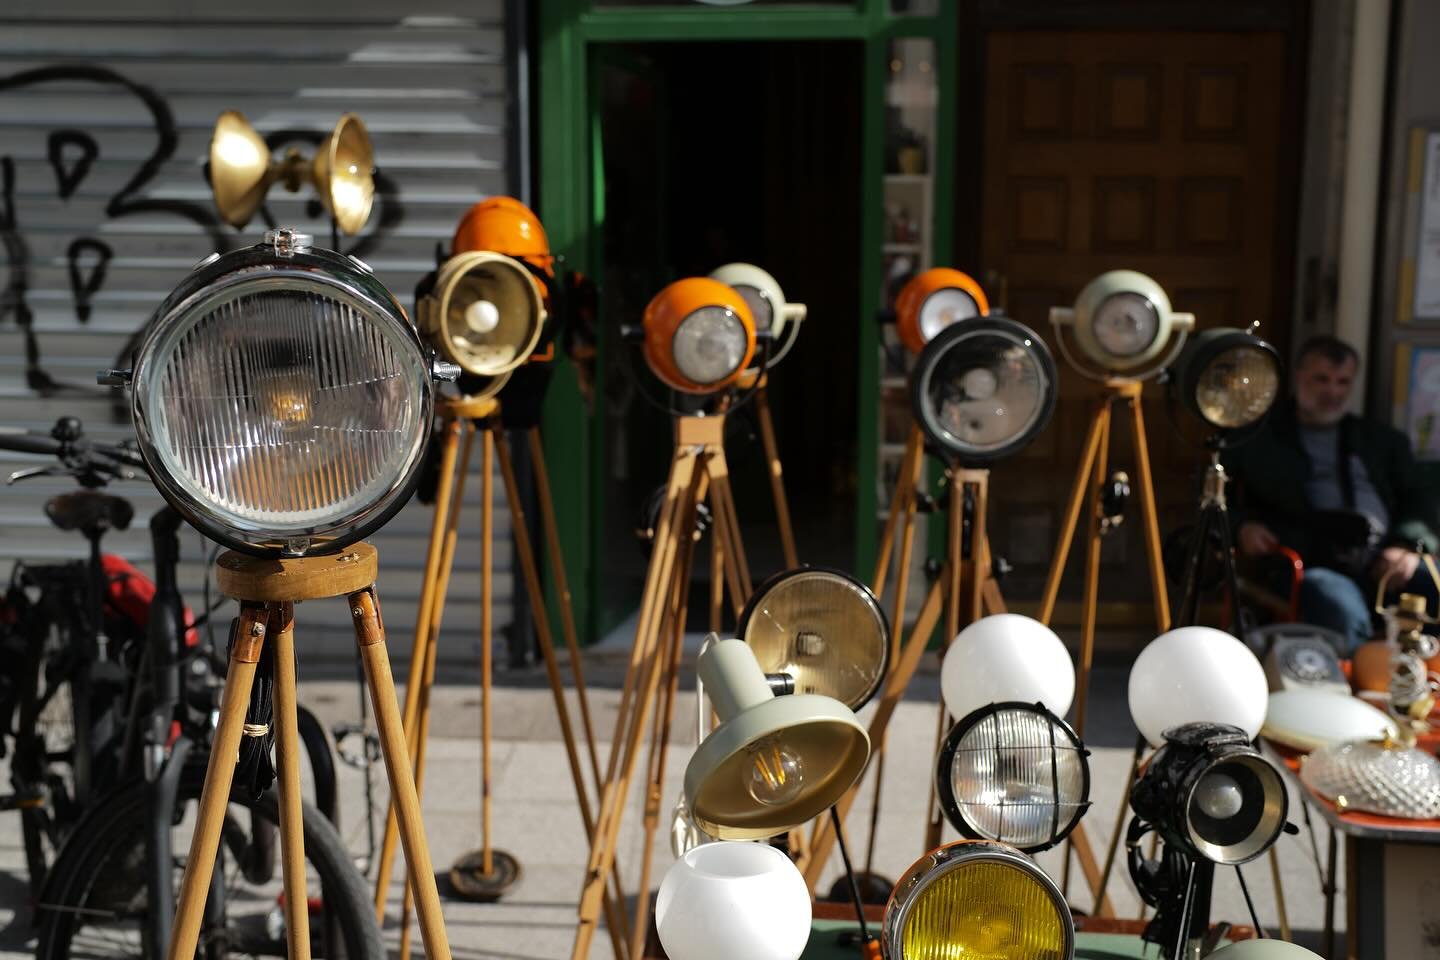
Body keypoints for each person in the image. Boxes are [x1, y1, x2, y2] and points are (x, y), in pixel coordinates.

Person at [1223, 335, 1440, 652]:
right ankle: (1357, 687)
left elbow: (1418, 499)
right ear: (1298, 377)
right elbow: (1214, 499)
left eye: (1342, 382)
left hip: (1384, 558)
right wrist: (1242, 527)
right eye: (1321, 380)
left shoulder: (1380, 440)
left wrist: (1405, 545)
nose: (1332, 392)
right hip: (1312, 560)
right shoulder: (1259, 438)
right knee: (1336, 605)